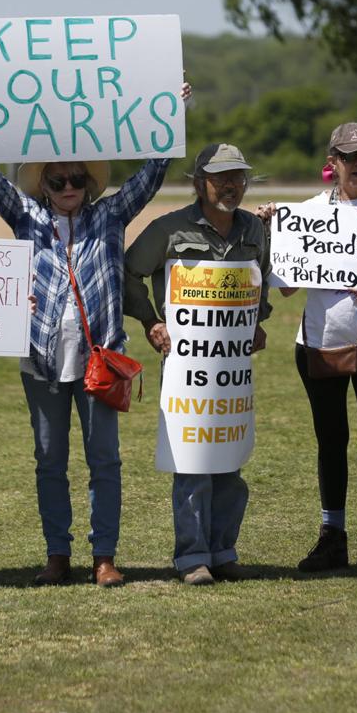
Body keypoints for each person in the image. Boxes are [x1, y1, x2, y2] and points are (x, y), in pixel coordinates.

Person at [0, 78, 190, 588]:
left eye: (75, 179)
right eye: (57, 180)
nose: (66, 187)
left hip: (99, 359)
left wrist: (170, 111)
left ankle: (103, 556)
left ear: (87, 183)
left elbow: (150, 175)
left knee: (104, 459)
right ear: (43, 184)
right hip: (39, 361)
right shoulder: (26, 216)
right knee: (49, 461)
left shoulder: (109, 216)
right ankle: (57, 554)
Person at [258, 122, 357, 578]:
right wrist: (271, 230)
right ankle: (333, 538)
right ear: (333, 163)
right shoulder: (305, 213)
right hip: (320, 342)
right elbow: (286, 288)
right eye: (350, 158)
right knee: (331, 442)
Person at [123, 143, 270, 586]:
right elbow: (129, 272)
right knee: (192, 458)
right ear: (198, 183)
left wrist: (257, 321)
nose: (230, 185)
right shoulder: (168, 229)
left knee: (229, 457)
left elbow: (258, 279)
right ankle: (192, 558)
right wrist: (151, 321)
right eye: (220, 177)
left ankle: (223, 550)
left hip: (232, 369)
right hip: (187, 370)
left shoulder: (254, 231)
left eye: (238, 177)